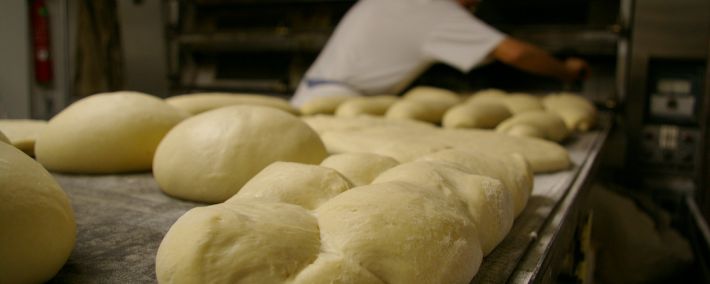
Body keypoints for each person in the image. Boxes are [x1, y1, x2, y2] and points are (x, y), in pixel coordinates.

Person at [290, 0, 589, 107]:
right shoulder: (437, 12)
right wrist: (567, 71)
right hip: (339, 107)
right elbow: (515, 53)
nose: (475, 8)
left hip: (313, 95)